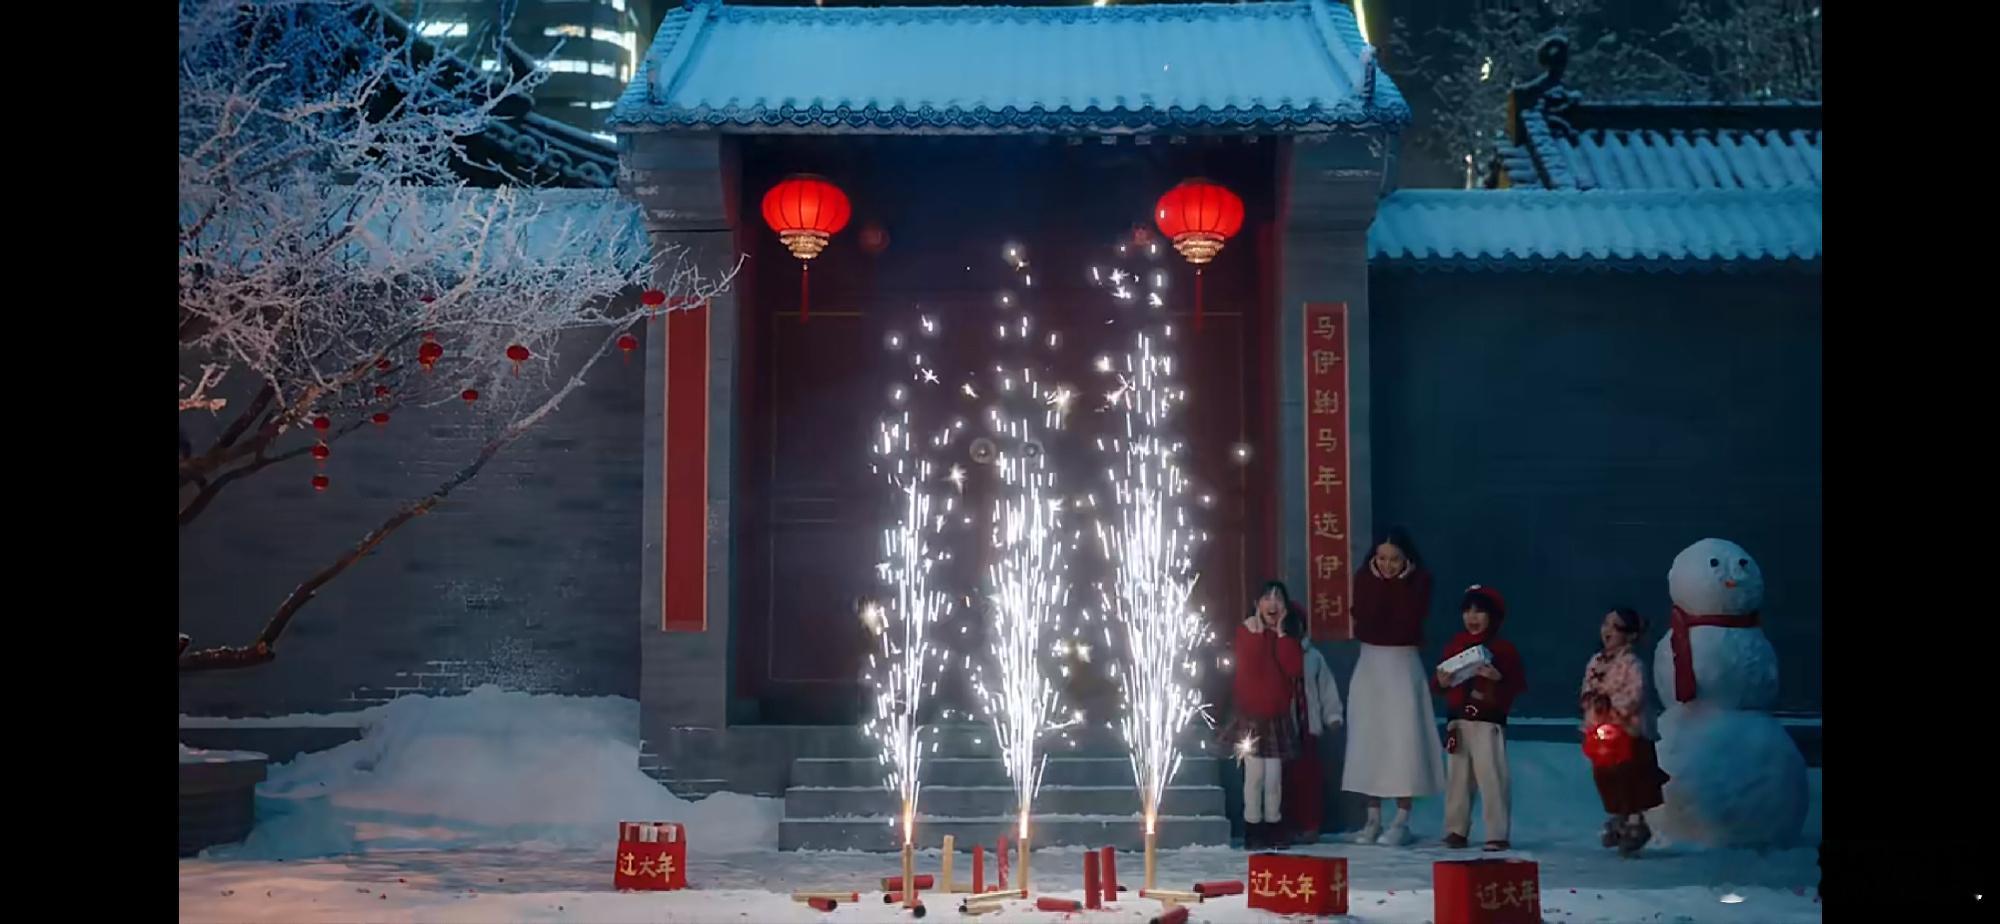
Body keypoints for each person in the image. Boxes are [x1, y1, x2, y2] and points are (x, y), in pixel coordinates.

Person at [1343, 529, 1448, 847]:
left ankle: (1401, 819)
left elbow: (1408, 621)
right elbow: (1366, 620)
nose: (1387, 565)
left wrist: (1399, 584)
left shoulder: (1420, 582)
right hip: (1371, 665)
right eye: (1382, 558)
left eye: (1395, 559)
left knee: (1404, 741)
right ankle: (1372, 818)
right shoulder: (1364, 580)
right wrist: (1379, 584)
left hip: (1402, 665)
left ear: (1406, 560)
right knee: (1369, 740)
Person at [1436, 584, 1527, 851]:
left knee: (1492, 777)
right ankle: (1456, 829)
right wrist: (1442, 681)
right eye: (1467, 611)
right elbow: (1439, 683)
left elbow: (1517, 684)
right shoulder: (1455, 645)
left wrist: (1498, 679)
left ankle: (1497, 833)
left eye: (1479, 611)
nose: (1472, 617)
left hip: (1488, 722)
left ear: (1493, 616)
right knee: (1457, 779)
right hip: (1458, 721)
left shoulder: (1503, 649)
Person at [1581, 607, 1671, 856]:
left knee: (1630, 776)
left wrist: (1613, 706)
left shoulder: (1633, 664)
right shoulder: (1596, 662)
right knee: (1606, 775)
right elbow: (1587, 687)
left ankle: (1635, 820)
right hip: (1601, 731)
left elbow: (1635, 694)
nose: (1607, 631)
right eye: (1605, 624)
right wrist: (1592, 702)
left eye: (1615, 626)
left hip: (1628, 731)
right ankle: (1619, 816)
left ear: (1630, 635)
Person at [1227, 582, 1305, 850]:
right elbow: (1250, 666)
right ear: (1257, 604)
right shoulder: (1245, 631)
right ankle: (1253, 828)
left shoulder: (1288, 636)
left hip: (1277, 718)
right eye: (1267, 598)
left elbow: (1294, 669)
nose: (1273, 604)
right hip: (1251, 717)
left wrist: (1281, 634)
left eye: (1278, 598)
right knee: (1254, 777)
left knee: (1274, 778)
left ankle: (1274, 825)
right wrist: (1258, 635)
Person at [1282, 608, 1344, 845]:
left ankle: (1310, 826)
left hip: (1308, 727)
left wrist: (1333, 715)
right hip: (1283, 727)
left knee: (1309, 781)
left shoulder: (1314, 657)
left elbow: (1326, 688)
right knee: (1284, 781)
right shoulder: (1276, 652)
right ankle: (1287, 826)